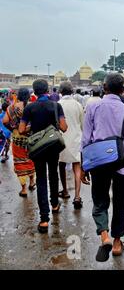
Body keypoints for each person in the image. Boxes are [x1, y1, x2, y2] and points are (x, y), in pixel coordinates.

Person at [81, 73, 124, 262]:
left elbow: (86, 138)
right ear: (123, 90)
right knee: (121, 202)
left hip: (99, 162)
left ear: (104, 87)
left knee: (100, 200)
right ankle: (116, 243)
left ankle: (104, 235)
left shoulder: (93, 106)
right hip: (121, 163)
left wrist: (84, 165)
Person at [19, 80, 68, 233]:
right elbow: (64, 128)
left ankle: (44, 219)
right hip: (53, 146)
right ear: (47, 90)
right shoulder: (55, 105)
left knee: (41, 179)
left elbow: (21, 130)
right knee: (53, 175)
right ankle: (54, 204)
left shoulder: (29, 108)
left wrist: (33, 128)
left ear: (34, 92)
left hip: (38, 148)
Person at [2, 88, 35, 197]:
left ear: (18, 96)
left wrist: (13, 129)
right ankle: (32, 182)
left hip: (17, 139)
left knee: (20, 163)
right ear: (29, 96)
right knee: (31, 159)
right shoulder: (32, 106)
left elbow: (5, 121)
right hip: (31, 139)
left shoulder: (11, 108)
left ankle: (24, 189)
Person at [58, 82, 85, 209]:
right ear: (72, 91)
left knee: (61, 164)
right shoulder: (78, 105)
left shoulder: (57, 104)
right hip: (76, 138)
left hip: (61, 139)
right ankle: (77, 196)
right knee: (77, 166)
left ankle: (65, 191)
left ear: (61, 91)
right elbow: (82, 124)